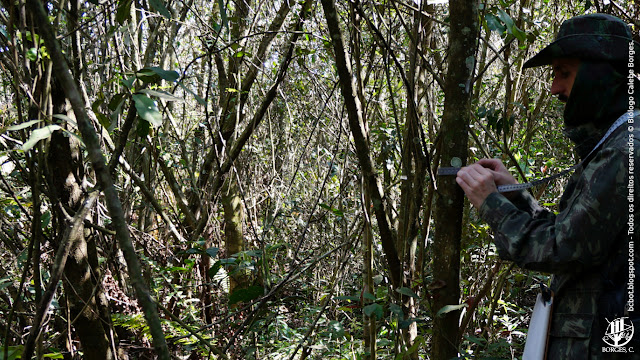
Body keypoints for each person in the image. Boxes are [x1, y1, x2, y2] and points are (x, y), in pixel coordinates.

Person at [455, 13, 640, 359]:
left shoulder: (626, 151)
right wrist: (516, 195)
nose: (555, 89)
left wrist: (490, 204)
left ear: (600, 74)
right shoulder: (616, 143)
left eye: (564, 73)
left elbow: (562, 248)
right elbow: (579, 233)